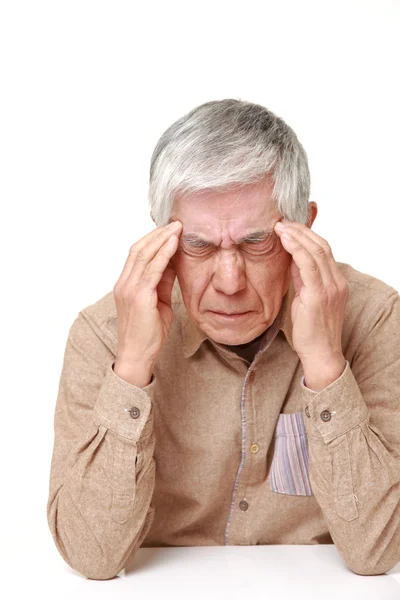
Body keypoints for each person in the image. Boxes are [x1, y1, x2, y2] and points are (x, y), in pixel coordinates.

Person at [46, 99, 400, 580]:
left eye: (257, 242)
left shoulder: (375, 317)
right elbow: (92, 557)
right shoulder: (104, 334)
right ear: (162, 239)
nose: (229, 281)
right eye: (198, 244)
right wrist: (131, 369)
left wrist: (325, 364)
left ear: (306, 227)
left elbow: (377, 552)